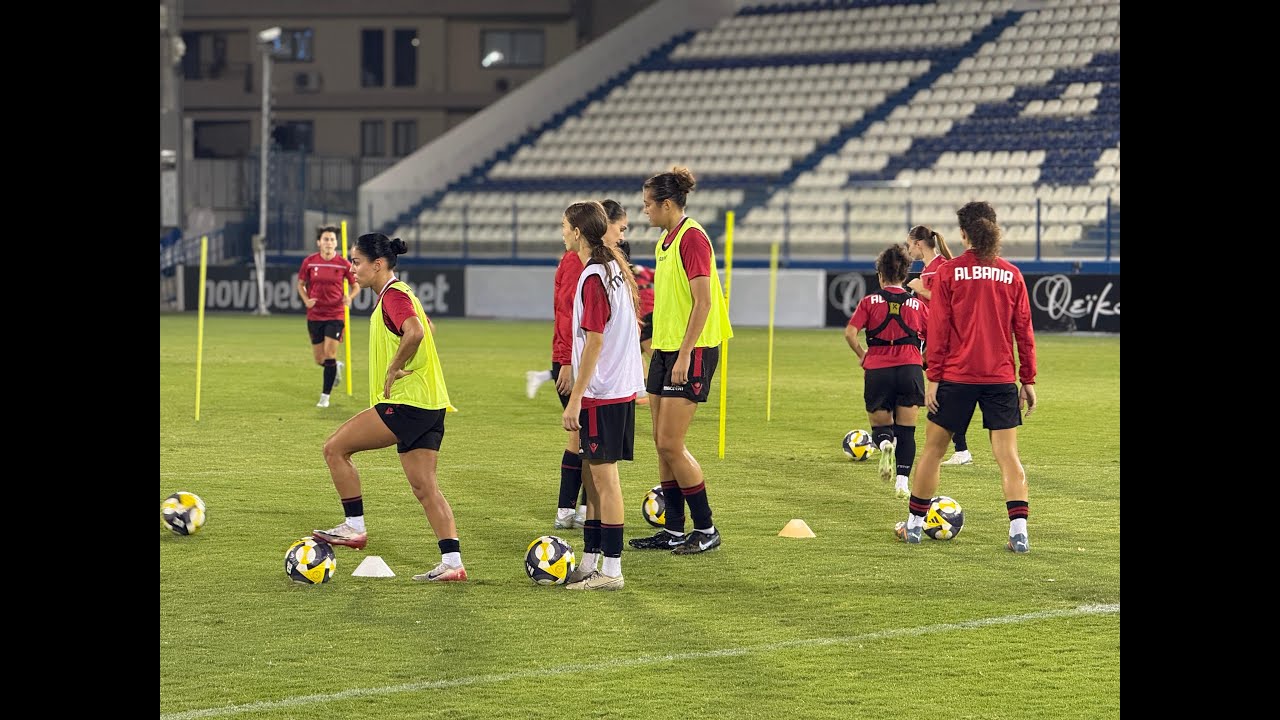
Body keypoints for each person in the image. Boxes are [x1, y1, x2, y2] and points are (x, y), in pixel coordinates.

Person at [312, 233, 467, 581]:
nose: (352, 269)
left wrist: (396, 366)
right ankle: (453, 564)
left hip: (408, 402)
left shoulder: (393, 297)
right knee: (425, 487)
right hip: (430, 402)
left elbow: (414, 331)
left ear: (377, 265)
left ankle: (354, 527)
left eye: (356, 262)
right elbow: (429, 326)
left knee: (335, 449)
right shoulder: (402, 293)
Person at [896, 202, 1037, 554]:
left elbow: (940, 329)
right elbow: (1024, 330)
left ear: (962, 234)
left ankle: (913, 526)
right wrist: (1028, 378)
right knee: (1008, 456)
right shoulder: (1012, 274)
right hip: (1000, 377)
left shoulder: (948, 273)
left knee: (932, 450)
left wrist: (933, 377)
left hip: (956, 378)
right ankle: (1019, 533)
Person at [629, 166, 734, 555]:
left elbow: (705, 302)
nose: (645, 212)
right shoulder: (666, 241)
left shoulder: (692, 239)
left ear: (667, 204)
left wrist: (686, 353)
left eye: (647, 205)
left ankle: (705, 529)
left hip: (693, 349)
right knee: (660, 443)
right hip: (666, 348)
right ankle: (673, 530)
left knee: (672, 443)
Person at [559, 201, 645, 590]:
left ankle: (611, 570)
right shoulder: (612, 269)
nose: (562, 232)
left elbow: (594, 341)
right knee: (594, 482)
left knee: (606, 483)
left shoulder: (594, 276)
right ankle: (592, 560)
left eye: (564, 226)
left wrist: (577, 397)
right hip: (617, 390)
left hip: (602, 392)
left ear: (578, 232)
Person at [845, 244, 928, 500]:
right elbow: (937, 339)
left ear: (880, 274)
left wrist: (863, 356)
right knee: (907, 431)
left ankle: (883, 445)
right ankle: (902, 483)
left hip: (878, 369)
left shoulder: (869, 302)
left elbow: (849, 333)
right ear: (904, 275)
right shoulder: (917, 304)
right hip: (910, 369)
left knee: (882, 428)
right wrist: (921, 360)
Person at [905, 224, 971, 466]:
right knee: (935, 390)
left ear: (919, 244)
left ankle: (961, 448)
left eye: (909, 244)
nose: (908, 249)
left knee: (944, 393)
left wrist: (917, 287)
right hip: (932, 339)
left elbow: (949, 300)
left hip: (946, 341)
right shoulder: (931, 268)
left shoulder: (939, 269)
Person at [297, 225, 360, 408]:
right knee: (320, 359)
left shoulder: (343, 264)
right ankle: (335, 367)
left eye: (332, 239)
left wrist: (350, 297)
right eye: (326, 239)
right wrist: (306, 299)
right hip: (315, 315)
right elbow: (300, 284)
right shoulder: (309, 262)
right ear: (319, 242)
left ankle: (325, 397)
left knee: (330, 354)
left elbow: (355, 285)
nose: (329, 242)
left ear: (336, 243)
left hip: (335, 314)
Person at [618, 237, 656, 406]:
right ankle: (642, 390)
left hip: (644, 315)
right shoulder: (640, 270)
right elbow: (657, 276)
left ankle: (660, 390)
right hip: (651, 313)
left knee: (654, 357)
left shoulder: (621, 273)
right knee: (635, 354)